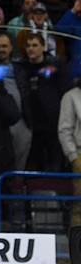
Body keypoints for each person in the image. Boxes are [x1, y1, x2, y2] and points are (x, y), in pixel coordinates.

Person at [16, 33, 68, 172]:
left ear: (43, 47)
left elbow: (65, 90)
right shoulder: (21, 68)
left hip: (53, 120)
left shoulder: (56, 66)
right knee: (34, 162)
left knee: (55, 160)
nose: (31, 49)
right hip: (31, 120)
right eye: (28, 46)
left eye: (35, 45)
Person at [0, 33, 32, 170]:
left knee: (20, 161)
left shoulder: (21, 68)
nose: (1, 50)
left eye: (4, 46)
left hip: (22, 121)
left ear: (11, 48)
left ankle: (17, 181)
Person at [58, 84, 81, 226]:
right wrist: (74, 157)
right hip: (80, 155)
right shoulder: (71, 96)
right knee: (79, 205)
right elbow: (64, 130)